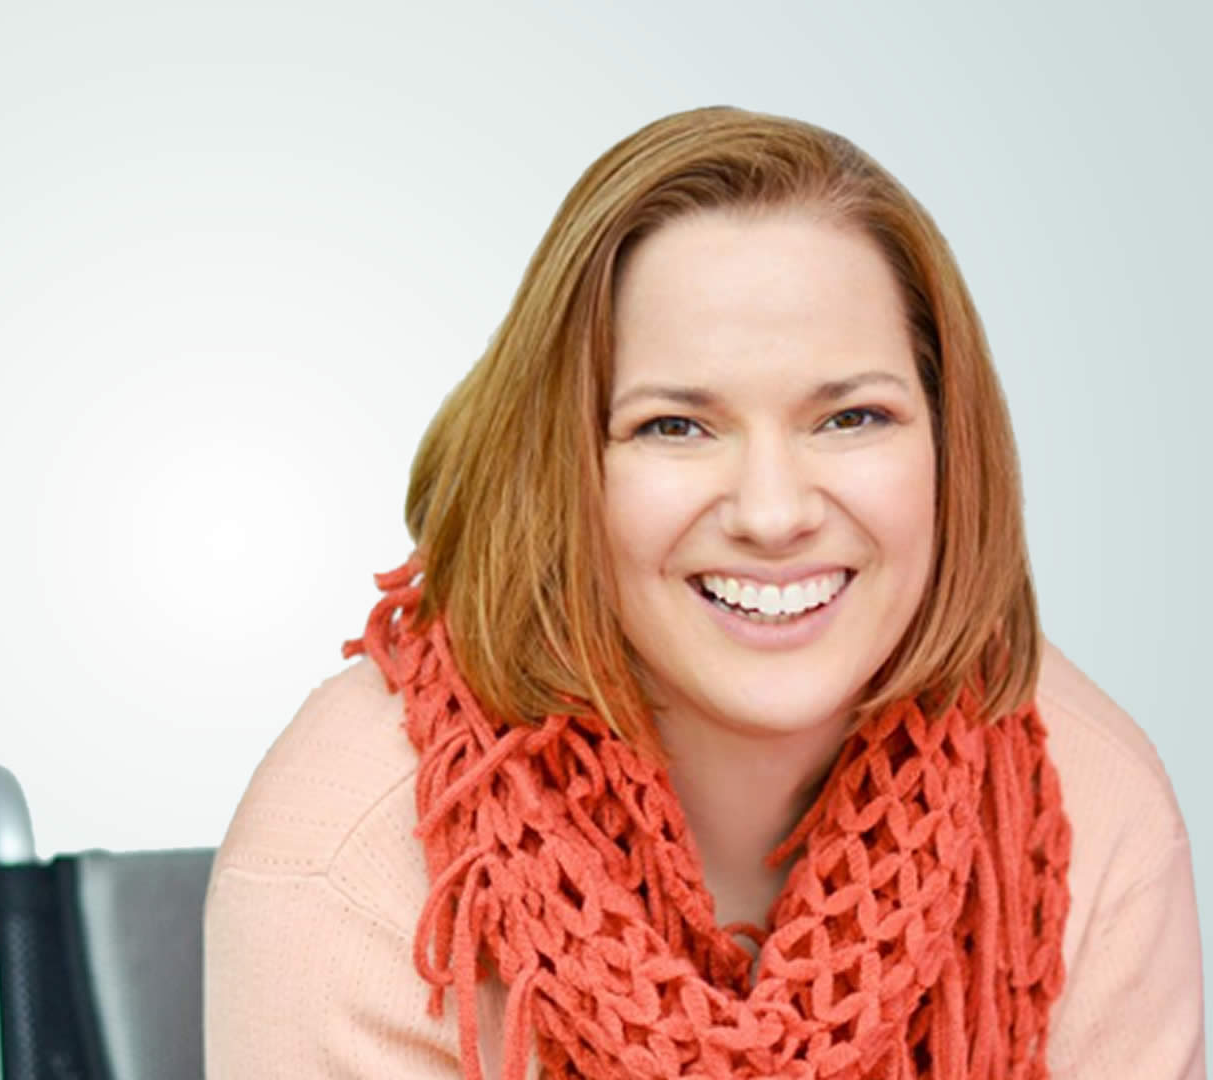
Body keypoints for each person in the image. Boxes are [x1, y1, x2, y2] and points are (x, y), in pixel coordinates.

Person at [202, 106, 1204, 1079]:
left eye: (852, 416)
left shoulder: (1079, 796)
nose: (773, 514)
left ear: (952, 447)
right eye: (676, 427)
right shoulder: (352, 850)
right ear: (561, 469)